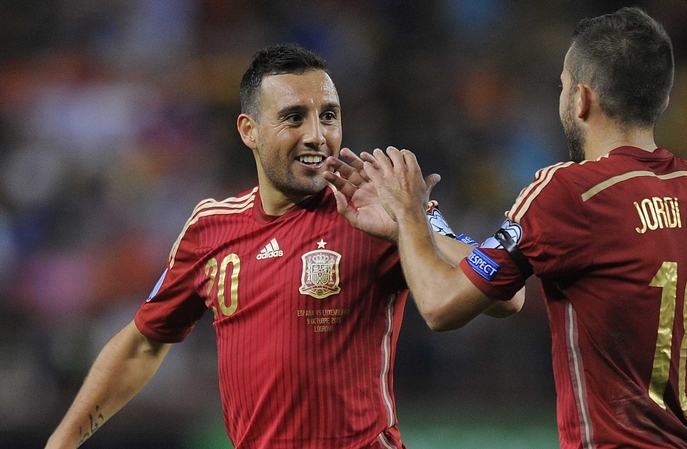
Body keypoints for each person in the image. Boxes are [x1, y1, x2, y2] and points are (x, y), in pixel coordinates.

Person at [329, 7, 687, 449]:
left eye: (562, 85)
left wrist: (410, 213)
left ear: (581, 98)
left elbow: (441, 306)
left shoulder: (570, 192)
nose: (561, 95)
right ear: (660, 99)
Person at [46, 44, 522, 449]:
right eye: (294, 117)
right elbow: (142, 344)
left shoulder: (382, 208)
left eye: (328, 116)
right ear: (248, 130)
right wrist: (61, 443)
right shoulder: (210, 228)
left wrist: (409, 225)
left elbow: (503, 292)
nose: (317, 135)